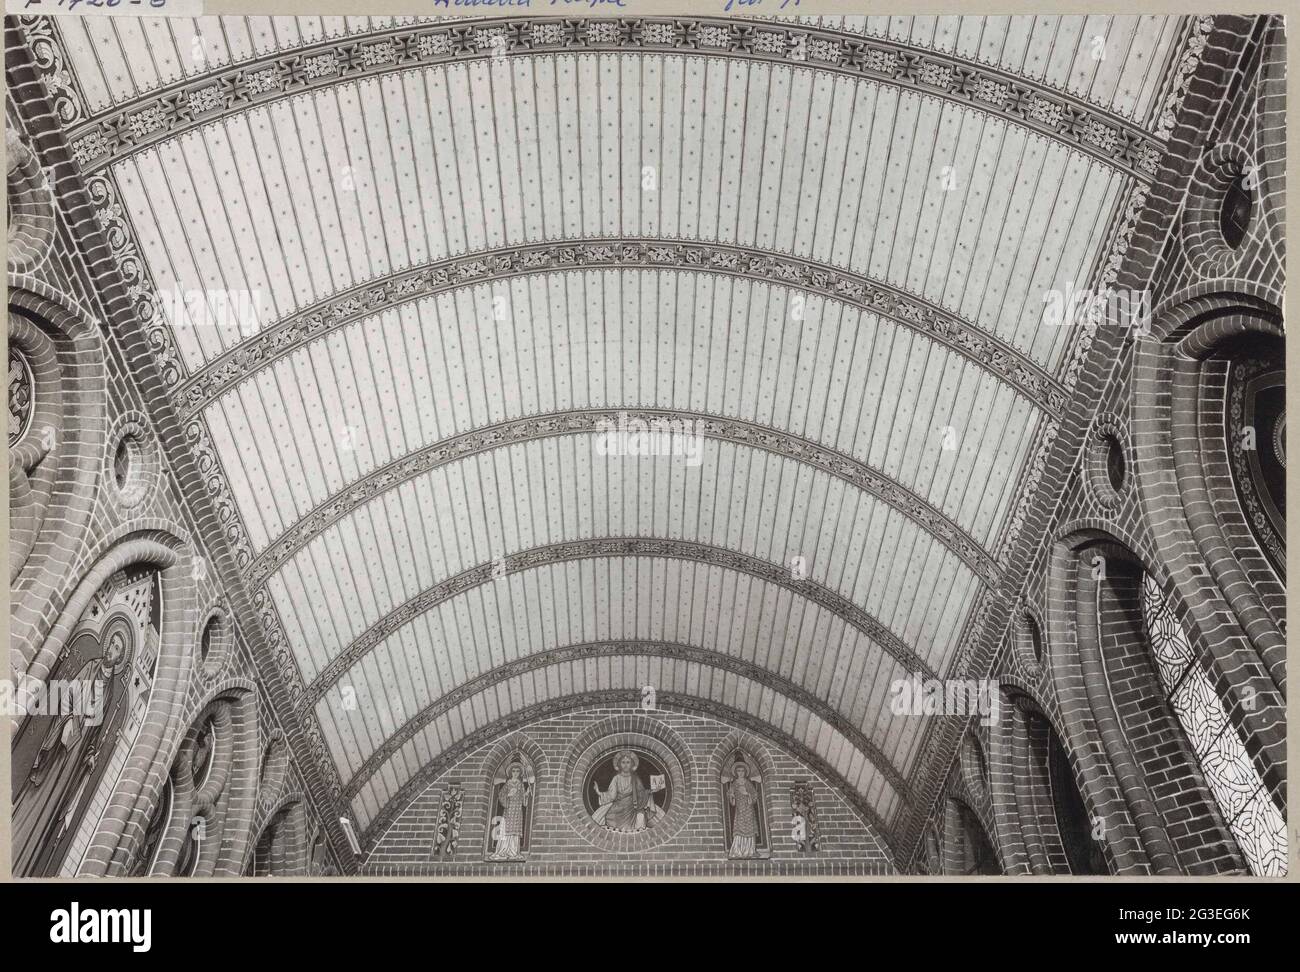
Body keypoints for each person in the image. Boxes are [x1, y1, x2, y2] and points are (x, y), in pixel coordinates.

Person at [591, 751, 660, 833]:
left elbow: (641, 793)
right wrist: (598, 792)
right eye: (623, 762)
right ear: (619, 764)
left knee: (641, 816)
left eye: (628, 762)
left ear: (632, 764)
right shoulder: (616, 778)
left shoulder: (635, 778)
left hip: (632, 807)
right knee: (609, 817)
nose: (626, 765)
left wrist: (651, 791)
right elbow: (612, 795)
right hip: (618, 807)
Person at [488, 762, 530, 860]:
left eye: (517, 771)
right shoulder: (508, 783)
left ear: (520, 773)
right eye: (514, 771)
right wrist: (508, 796)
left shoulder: (520, 784)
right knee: (506, 829)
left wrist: (526, 795)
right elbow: (501, 795)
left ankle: (513, 852)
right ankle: (502, 851)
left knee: (515, 830)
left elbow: (524, 801)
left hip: (518, 810)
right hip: (509, 809)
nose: (515, 773)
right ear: (511, 772)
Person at [726, 761, 760, 859]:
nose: (740, 772)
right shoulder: (734, 783)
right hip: (739, 808)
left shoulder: (748, 783)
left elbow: (754, 794)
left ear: (745, 772)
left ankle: (749, 850)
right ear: (736, 772)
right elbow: (730, 794)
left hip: (748, 807)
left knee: (749, 826)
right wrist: (731, 796)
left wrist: (747, 794)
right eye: (738, 771)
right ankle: (738, 850)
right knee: (739, 827)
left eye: (742, 771)